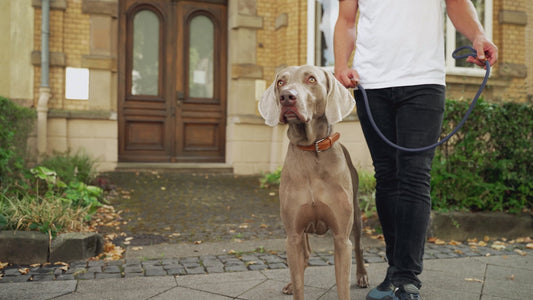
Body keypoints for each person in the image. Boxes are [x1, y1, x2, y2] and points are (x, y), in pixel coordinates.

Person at [333, 1, 498, 300]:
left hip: (423, 82)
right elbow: (346, 20)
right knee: (387, 177)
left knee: (414, 176)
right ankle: (395, 271)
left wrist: (478, 36)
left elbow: (457, 5)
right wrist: (341, 65)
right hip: (372, 84)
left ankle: (407, 278)